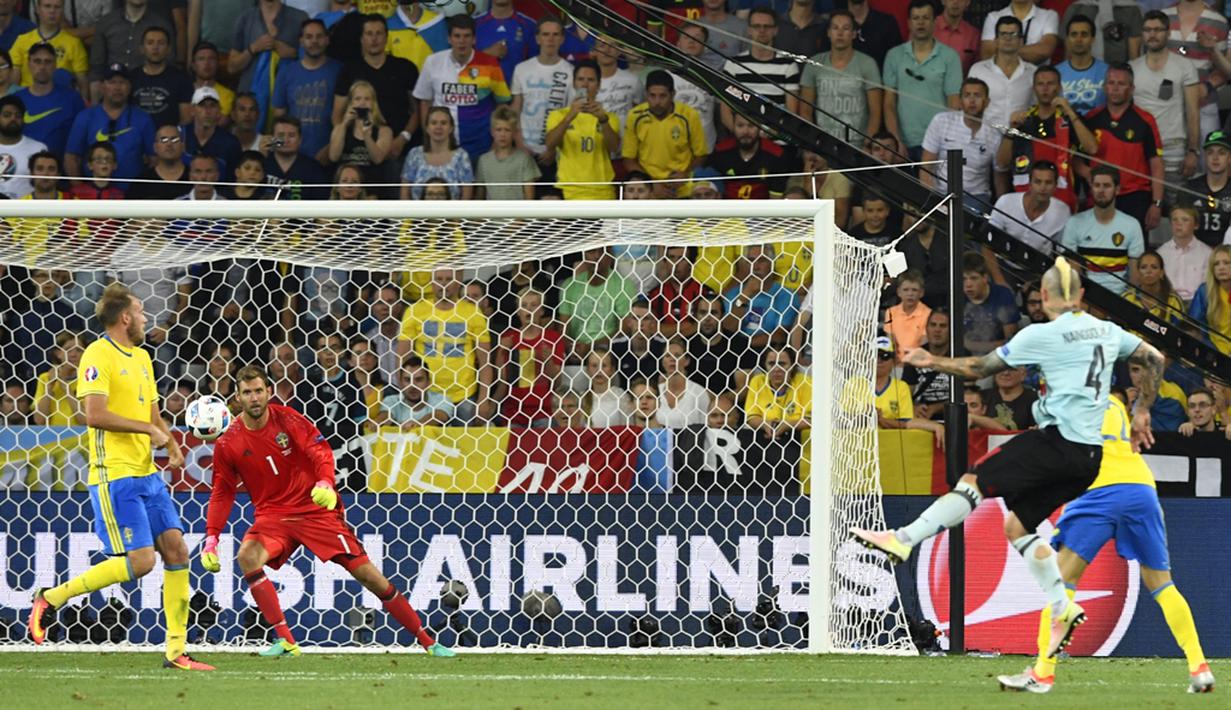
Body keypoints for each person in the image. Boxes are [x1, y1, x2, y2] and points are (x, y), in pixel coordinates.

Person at [853, 257, 1166, 661]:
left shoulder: (1042, 334)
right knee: (1017, 525)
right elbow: (1154, 357)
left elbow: (981, 366)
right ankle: (1063, 607)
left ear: (1047, 295)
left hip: (1058, 442)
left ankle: (904, 539)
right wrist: (1142, 409)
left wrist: (932, 361)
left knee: (973, 481)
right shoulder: (1107, 331)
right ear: (1083, 296)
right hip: (1089, 459)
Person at [202, 365, 454, 658]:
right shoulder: (228, 441)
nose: (255, 398)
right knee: (247, 556)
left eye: (259, 390)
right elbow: (222, 491)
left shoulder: (289, 419)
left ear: (269, 392)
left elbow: (319, 451)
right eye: (248, 392)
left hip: (314, 510)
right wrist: (211, 538)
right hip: (272, 517)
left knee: (370, 577)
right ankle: (286, 640)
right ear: (237, 398)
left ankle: (427, 640)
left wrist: (325, 481)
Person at [26, 283, 212, 671]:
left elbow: (152, 411)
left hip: (147, 473)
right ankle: (52, 596)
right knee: (142, 562)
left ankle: (176, 652)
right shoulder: (97, 354)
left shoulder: (143, 357)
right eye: (142, 311)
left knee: (177, 551)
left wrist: (172, 442)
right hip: (114, 475)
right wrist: (147, 432)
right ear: (125, 317)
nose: (146, 318)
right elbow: (93, 415)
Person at [998, 395, 1214, 694]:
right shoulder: (1113, 402)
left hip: (1099, 491)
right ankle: (1199, 668)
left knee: (1062, 584)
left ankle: (1042, 673)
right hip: (1141, 488)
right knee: (1163, 586)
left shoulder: (1065, 399)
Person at [997, 65, 1097, 212]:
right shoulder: (1024, 121)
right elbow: (1002, 162)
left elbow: (1092, 148)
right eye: (1040, 84)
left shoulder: (1068, 119)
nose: (1045, 88)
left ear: (1059, 87)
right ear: (1034, 88)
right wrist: (1011, 129)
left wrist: (1069, 111)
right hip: (1026, 200)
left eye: (1050, 84)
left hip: (1063, 201)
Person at [413, 13, 511, 163]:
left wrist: (495, 141)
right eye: (457, 36)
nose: (461, 41)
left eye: (466, 36)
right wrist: (428, 138)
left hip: (481, 144)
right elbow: (425, 102)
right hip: (442, 143)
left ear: (474, 39)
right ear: (449, 38)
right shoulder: (433, 62)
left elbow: (502, 104)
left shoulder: (490, 63)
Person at [1083, 62, 1165, 233]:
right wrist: (1088, 174)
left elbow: (1156, 165)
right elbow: (1074, 158)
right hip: (1099, 196)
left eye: (1121, 84)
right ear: (1104, 87)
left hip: (1135, 197)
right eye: (1111, 83)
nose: (1115, 88)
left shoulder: (1145, 121)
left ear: (1132, 88)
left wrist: (1156, 203)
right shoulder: (1091, 119)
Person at [1130, 11, 1201, 198]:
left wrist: (1193, 151)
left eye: (1157, 30)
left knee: (1176, 213)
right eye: (1147, 30)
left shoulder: (1185, 66)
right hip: (1140, 149)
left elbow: (1193, 112)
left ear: (1168, 33)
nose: (1152, 34)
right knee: (1142, 208)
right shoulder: (1132, 68)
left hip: (1174, 149)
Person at [881, 0, 962, 161]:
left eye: (925, 18)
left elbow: (954, 104)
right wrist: (896, 141)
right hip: (905, 143)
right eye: (916, 18)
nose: (920, 23)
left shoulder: (950, 56)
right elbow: (889, 103)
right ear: (909, 23)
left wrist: (948, 143)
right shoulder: (894, 55)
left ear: (934, 22)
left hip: (939, 143)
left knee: (946, 186)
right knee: (903, 187)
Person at [332, 13, 419, 161]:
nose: (374, 39)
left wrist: (403, 138)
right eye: (369, 34)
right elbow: (336, 116)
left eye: (379, 33)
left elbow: (416, 111)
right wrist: (345, 140)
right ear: (361, 38)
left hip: (398, 148)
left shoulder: (405, 67)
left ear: (386, 37)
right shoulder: (349, 70)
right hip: (358, 150)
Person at [1060, 165, 1145, 297]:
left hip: (1121, 297)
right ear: (1091, 188)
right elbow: (1068, 268)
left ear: (1117, 190)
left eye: (1106, 186)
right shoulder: (1074, 223)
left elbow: (1135, 274)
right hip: (1084, 297)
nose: (1101, 190)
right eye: (1097, 185)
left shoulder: (1132, 225)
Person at [622, 70, 707, 198]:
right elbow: (628, 159)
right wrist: (651, 183)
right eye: (652, 96)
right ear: (646, 94)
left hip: (682, 190)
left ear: (673, 94)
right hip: (649, 192)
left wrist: (685, 174)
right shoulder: (635, 116)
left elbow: (701, 155)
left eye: (663, 96)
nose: (657, 101)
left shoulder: (689, 115)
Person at [798, 9, 881, 140]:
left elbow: (875, 113)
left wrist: (868, 145)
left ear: (854, 34)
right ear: (828, 33)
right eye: (835, 28)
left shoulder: (868, 64)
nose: (840, 33)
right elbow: (805, 111)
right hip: (823, 146)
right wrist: (814, 143)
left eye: (846, 28)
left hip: (858, 147)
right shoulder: (814, 63)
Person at [919, 77, 1001, 209]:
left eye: (977, 95)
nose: (972, 100)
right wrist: (932, 199)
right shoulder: (941, 121)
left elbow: (999, 176)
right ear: (960, 101)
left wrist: (1000, 208)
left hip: (977, 197)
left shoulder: (994, 134)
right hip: (941, 194)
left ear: (987, 102)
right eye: (967, 95)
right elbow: (925, 167)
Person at [545, 58, 617, 200]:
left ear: (599, 85)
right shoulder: (558, 115)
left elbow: (614, 147)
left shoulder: (608, 117)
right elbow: (550, 144)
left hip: (602, 192)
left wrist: (603, 120)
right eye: (581, 79)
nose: (585, 84)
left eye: (591, 80)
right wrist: (569, 117)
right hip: (568, 192)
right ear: (574, 83)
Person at [271, 18, 341, 161]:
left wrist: (331, 149)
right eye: (309, 37)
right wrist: (278, 148)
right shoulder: (286, 72)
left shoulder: (340, 71)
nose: (314, 41)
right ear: (301, 41)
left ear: (327, 40)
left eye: (319, 36)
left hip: (330, 154)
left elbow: (346, 117)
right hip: (292, 156)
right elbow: (279, 117)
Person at [508, 14, 572, 169]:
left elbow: (570, 115)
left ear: (562, 39)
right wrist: (519, 143)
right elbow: (516, 109)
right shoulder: (521, 69)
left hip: (556, 152)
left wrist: (553, 148)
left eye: (555, 34)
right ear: (537, 38)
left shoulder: (571, 72)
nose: (550, 39)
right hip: (525, 149)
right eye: (545, 34)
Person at [495, 287, 563, 428]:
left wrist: (547, 361)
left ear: (542, 311)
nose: (529, 310)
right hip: (513, 412)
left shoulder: (553, 338)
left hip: (544, 412)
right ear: (518, 311)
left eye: (534, 305)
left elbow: (557, 383)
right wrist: (502, 351)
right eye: (524, 306)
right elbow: (502, 379)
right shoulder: (508, 338)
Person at [967, 16, 1037, 137]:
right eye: (1003, 34)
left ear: (1021, 41)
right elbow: (968, 108)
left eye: (1013, 34)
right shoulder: (978, 70)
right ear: (996, 40)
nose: (1008, 38)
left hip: (1020, 140)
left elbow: (1037, 108)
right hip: (984, 139)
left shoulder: (1033, 72)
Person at [988, 159, 1071, 257]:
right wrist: (997, 273)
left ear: (1055, 186)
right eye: (1037, 182)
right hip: (1003, 264)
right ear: (1030, 184)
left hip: (1038, 270)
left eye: (1048, 183)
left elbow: (1062, 253)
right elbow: (987, 244)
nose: (1043, 187)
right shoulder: (1005, 202)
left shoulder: (1062, 211)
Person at [15, 42, 84, 157]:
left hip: (59, 171)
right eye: (37, 61)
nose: (42, 67)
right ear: (29, 64)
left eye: (48, 62)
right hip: (23, 169)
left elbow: (81, 140)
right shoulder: (16, 100)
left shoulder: (72, 99)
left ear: (55, 65)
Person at [399, 105, 472, 199]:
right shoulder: (414, 154)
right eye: (434, 123)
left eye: (443, 123)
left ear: (451, 128)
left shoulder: (462, 156)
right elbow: (404, 195)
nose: (438, 127)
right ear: (427, 128)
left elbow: (466, 199)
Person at [130, 26, 194, 129]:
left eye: (161, 43)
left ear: (168, 49)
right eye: (150, 43)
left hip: (168, 140)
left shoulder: (181, 78)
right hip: (136, 138)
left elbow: (186, 120)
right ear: (141, 49)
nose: (155, 47)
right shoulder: (131, 78)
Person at [329, 79, 394, 174]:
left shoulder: (384, 131)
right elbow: (333, 157)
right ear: (351, 103)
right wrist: (343, 125)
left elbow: (378, 159)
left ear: (373, 103)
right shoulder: (340, 128)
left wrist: (367, 135)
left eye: (367, 99)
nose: (362, 103)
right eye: (357, 99)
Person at [476, 106, 539, 199]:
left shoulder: (524, 159)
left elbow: (529, 196)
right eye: (498, 130)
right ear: (492, 132)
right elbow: (480, 195)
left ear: (514, 132)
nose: (502, 134)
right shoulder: (484, 160)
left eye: (507, 130)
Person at [1183, 129, 1231, 249]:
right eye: (1210, 152)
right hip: (1194, 255)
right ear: (1205, 156)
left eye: (1222, 153)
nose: (1215, 158)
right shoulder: (1190, 188)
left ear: (1230, 157)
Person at [375, 356, 453, 428]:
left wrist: (418, 424)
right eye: (407, 380)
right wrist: (379, 421)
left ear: (429, 382)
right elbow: (385, 415)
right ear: (400, 383)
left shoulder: (442, 399)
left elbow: (439, 416)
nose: (413, 385)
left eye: (418, 380)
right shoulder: (391, 400)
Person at [1055, 14, 1108, 116]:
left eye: (1084, 34)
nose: (1079, 40)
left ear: (1093, 39)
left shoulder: (1107, 72)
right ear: (1067, 39)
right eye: (1074, 34)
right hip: (1064, 130)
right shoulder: (1055, 73)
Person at [979, 0, 1059, 64]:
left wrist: (1003, 50)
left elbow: (1044, 51)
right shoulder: (993, 17)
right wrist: (1029, 51)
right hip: (999, 78)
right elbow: (987, 54)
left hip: (1038, 80)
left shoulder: (1049, 15)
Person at [0, 95, 47, 199]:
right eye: (7, 115)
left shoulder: (38, 149)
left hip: (26, 212)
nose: (13, 118)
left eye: (18, 115)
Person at [1187, 244, 1231, 354]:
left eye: (1226, 263)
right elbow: (1193, 326)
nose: (1221, 267)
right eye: (1216, 264)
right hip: (1211, 351)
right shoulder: (1204, 292)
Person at [127, 123, 190, 200]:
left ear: (183, 146)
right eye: (164, 140)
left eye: (174, 139)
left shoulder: (194, 178)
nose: (169, 144)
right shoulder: (141, 183)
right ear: (155, 147)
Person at [1125, 250, 1185, 324]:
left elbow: (1181, 331)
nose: (1149, 271)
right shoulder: (1127, 297)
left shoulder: (1173, 300)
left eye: (1154, 267)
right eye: (1144, 267)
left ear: (1161, 273)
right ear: (1138, 272)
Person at [883, 270, 930, 360]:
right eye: (906, 290)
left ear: (921, 293)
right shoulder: (890, 312)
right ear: (898, 292)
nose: (910, 294)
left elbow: (924, 345)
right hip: (895, 363)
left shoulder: (928, 314)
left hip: (917, 361)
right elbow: (890, 343)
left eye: (914, 290)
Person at [582, 347, 630, 427]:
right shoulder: (581, 398)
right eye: (594, 365)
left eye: (604, 365)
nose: (599, 370)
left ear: (612, 370)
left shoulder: (621, 396)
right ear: (587, 370)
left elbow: (628, 427)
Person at [934, 0, 979, 74]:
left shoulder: (973, 34)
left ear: (968, 2)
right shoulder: (927, 28)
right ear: (943, 1)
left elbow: (977, 70)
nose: (955, 2)